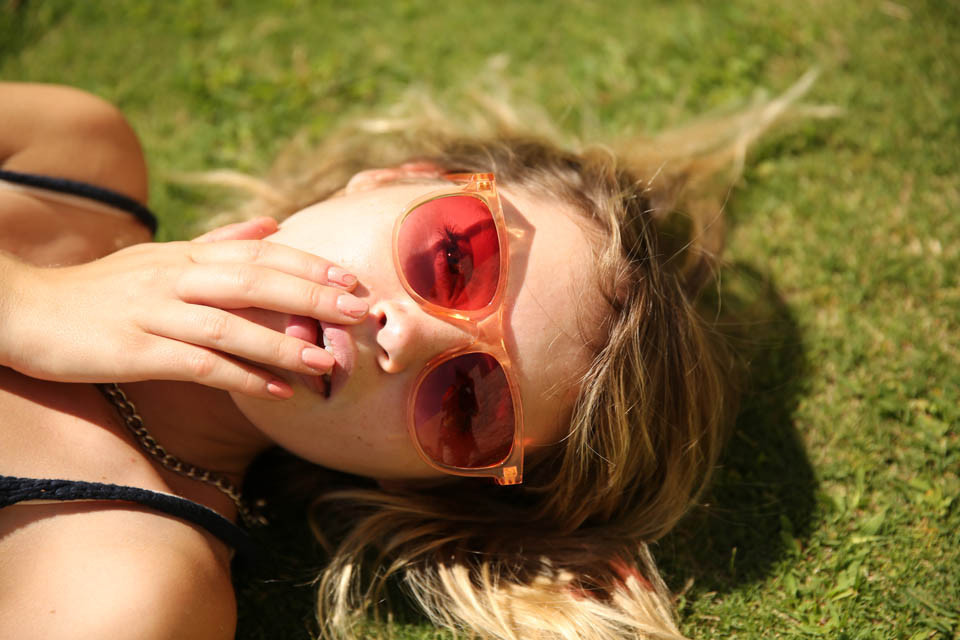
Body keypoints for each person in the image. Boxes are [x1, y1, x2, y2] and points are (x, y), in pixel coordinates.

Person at [0, 78, 812, 639]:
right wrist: (29, 301)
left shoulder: (129, 594)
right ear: (390, 180)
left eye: (465, 404)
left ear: (419, 481)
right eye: (455, 260)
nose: (405, 338)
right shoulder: (64, 154)